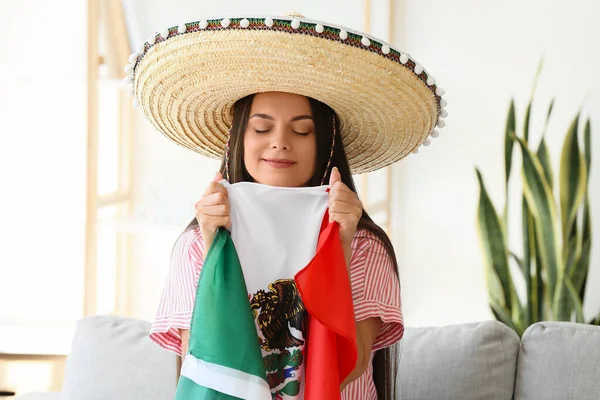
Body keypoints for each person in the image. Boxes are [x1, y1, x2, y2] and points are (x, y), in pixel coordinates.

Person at [125, 12, 446, 400]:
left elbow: (351, 365)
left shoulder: (364, 245)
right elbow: (206, 365)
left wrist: (339, 249)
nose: (279, 142)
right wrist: (216, 253)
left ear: (326, 144)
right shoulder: (197, 243)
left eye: (301, 130)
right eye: (261, 128)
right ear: (237, 140)